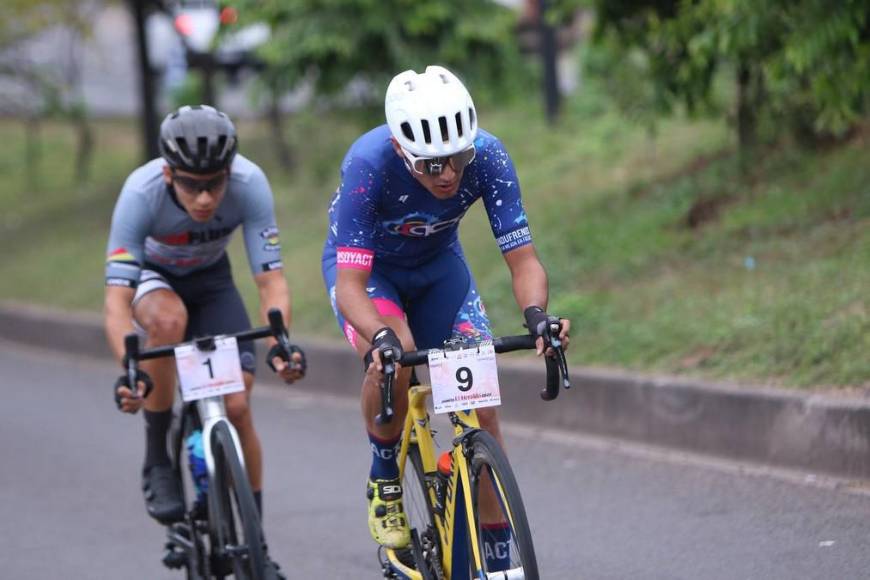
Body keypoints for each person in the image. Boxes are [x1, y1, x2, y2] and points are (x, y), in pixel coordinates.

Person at [321, 66, 571, 558]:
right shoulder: (368, 165)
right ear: (400, 149)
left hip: (439, 270)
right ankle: (384, 477)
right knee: (399, 354)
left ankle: (498, 553)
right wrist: (379, 336)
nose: (449, 174)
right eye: (432, 165)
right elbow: (350, 286)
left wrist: (538, 315)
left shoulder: (490, 155)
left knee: (480, 409)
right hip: (373, 276)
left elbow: (523, 259)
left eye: (457, 158)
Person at [104, 105, 305, 528]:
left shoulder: (250, 184)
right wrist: (130, 370)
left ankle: (256, 541)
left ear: (229, 172)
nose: (205, 198)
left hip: (212, 281)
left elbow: (271, 283)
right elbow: (117, 302)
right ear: (168, 175)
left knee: (236, 407)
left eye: (214, 184)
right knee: (167, 320)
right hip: (152, 278)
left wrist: (280, 344)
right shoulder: (140, 194)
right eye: (192, 186)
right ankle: (158, 455)